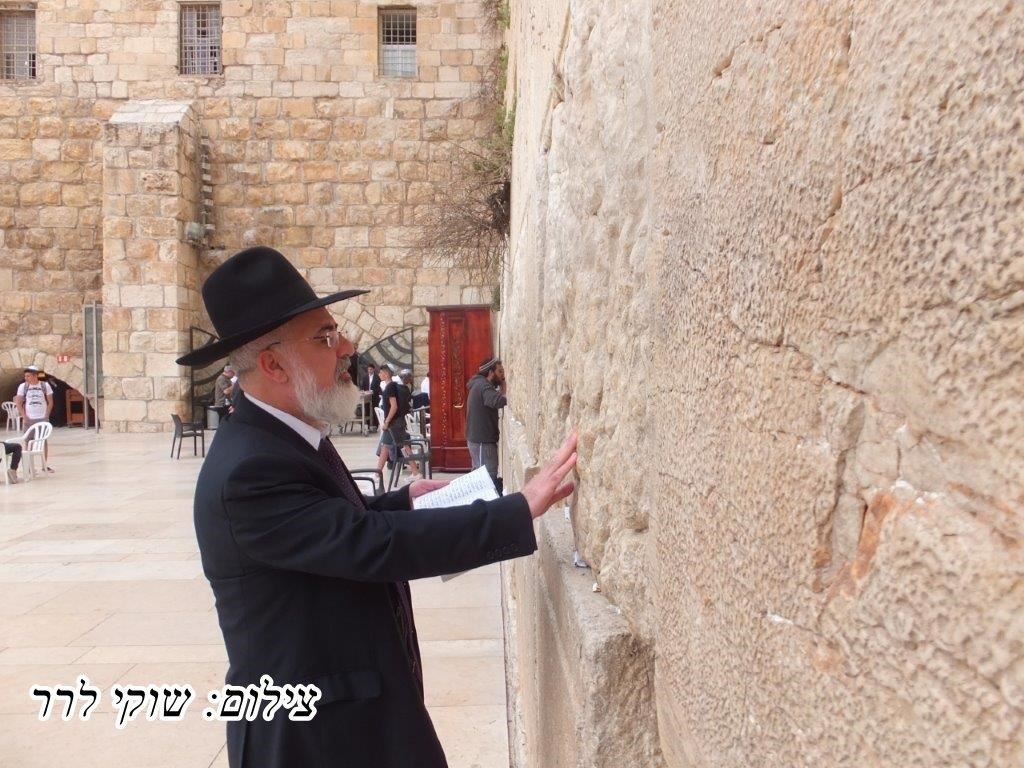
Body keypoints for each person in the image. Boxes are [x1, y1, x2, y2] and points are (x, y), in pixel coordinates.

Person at [174, 246, 577, 768]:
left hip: (349, 715)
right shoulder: (248, 470)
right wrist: (515, 511)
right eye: (324, 337)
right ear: (273, 364)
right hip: (312, 740)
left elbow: (324, 524)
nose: (347, 346)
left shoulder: (282, 436)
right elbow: (367, 545)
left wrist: (400, 500)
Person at [466, 357, 506, 490]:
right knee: (487, 479)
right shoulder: (484, 386)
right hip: (482, 442)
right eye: (500, 372)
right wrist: (504, 388)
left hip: (478, 440)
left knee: (480, 476)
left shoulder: (479, 384)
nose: (502, 376)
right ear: (490, 372)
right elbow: (498, 401)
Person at [375, 366, 417, 479]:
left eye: (381, 373)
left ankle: (416, 473)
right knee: (386, 447)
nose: (379, 375)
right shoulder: (392, 386)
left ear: (386, 374)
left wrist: (387, 421)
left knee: (403, 447)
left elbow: (394, 407)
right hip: (395, 422)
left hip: (394, 423)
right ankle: (377, 474)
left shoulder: (390, 387)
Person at [15, 365, 54, 472]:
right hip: (29, 418)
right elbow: (18, 402)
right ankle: (29, 467)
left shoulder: (45, 385)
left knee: (43, 441)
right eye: (25, 376)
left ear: (35, 376)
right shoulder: (23, 386)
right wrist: (24, 416)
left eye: (28, 376)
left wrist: (46, 415)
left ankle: (44, 465)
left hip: (42, 417)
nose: (26, 378)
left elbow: (50, 402)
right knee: (28, 441)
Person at [365, 362, 381, 431]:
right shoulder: (365, 377)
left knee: (375, 409)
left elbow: (379, 387)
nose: (369, 371)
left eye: (371, 369)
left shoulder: (377, 377)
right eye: (368, 369)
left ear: (373, 369)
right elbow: (363, 386)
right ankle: (367, 425)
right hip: (367, 395)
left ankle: (375, 425)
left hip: (375, 395)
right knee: (367, 409)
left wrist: (373, 391)